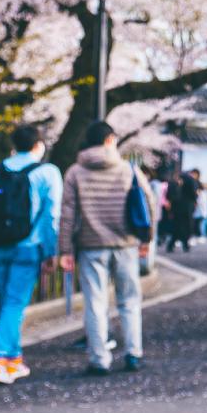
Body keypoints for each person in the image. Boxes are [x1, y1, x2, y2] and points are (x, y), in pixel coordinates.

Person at [58, 120, 154, 375]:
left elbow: (67, 214)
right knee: (129, 300)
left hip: (90, 245)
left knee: (95, 303)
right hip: (125, 244)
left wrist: (65, 250)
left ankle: (99, 358)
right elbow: (148, 202)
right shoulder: (128, 169)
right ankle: (133, 353)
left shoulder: (75, 172)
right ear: (110, 140)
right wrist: (147, 239)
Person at [0, 125, 62, 385]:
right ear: (38, 145)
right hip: (28, 245)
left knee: (7, 301)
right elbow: (51, 216)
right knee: (15, 302)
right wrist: (50, 251)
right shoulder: (47, 172)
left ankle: (14, 359)